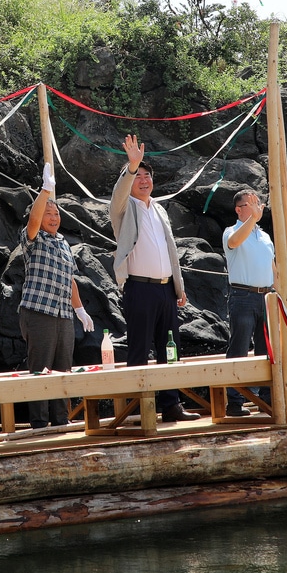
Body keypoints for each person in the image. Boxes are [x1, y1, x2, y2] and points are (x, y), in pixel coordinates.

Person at [108, 134, 198, 423]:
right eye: (138, 177)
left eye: (147, 175)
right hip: (139, 288)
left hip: (165, 290)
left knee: (170, 348)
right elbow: (118, 195)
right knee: (139, 348)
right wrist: (131, 167)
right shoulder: (124, 209)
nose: (143, 180)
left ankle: (171, 405)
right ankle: (138, 409)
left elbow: (170, 249)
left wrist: (178, 287)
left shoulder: (158, 208)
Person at [19, 163, 94, 428]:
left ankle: (61, 420)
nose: (53, 217)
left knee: (64, 370)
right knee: (40, 370)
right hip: (39, 312)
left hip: (63, 314)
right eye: (49, 213)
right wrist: (45, 191)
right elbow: (33, 220)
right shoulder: (33, 238)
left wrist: (80, 310)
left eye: (57, 213)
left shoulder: (63, 242)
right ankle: (39, 424)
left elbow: (69, 279)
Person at [222, 188, 276, 417]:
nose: (257, 207)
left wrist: (279, 295)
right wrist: (253, 218)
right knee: (239, 348)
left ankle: (267, 399)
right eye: (250, 204)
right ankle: (234, 402)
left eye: (258, 203)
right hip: (243, 296)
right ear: (239, 210)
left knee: (267, 350)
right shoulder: (230, 231)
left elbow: (273, 268)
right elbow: (234, 242)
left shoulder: (264, 236)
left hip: (266, 296)